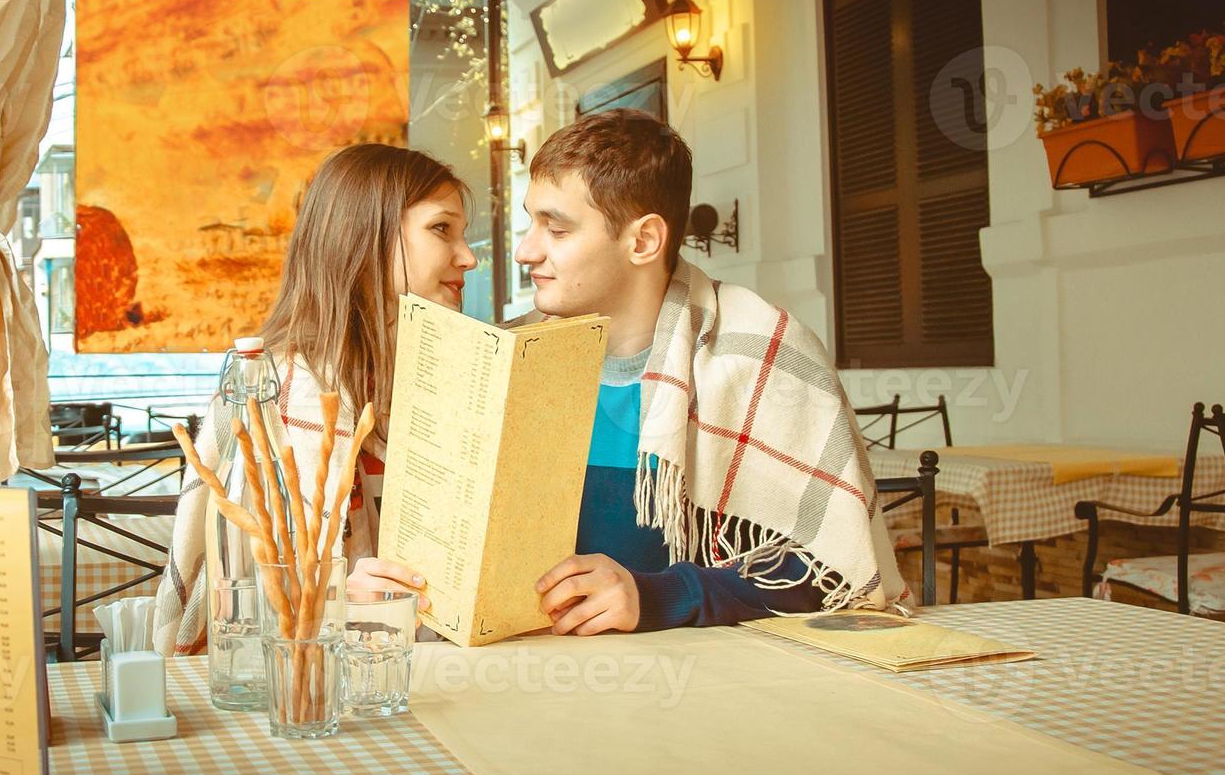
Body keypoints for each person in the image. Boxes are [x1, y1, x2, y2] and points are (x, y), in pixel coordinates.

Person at [350, 109, 908, 633]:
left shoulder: (758, 352)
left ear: (642, 240)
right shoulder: (504, 355)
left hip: (710, 690)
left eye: (557, 229)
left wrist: (654, 595)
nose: (524, 251)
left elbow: (831, 570)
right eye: (530, 224)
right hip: (527, 675)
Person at [153, 143, 476, 654]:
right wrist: (330, 598)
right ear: (365, 236)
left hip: (446, 666)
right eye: (442, 229)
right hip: (314, 685)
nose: (469, 257)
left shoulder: (453, 380)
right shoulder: (271, 392)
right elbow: (233, 600)